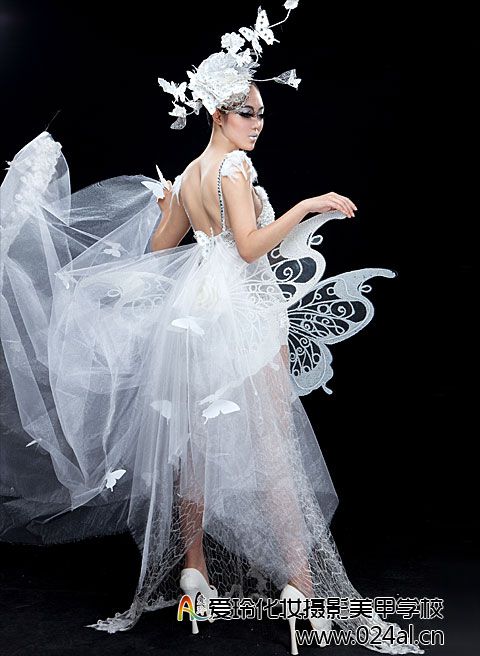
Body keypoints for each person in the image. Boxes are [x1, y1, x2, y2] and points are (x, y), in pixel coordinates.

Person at [0, 2, 424, 653]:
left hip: (195, 313)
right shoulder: (232, 168)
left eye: (262, 112)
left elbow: (158, 249)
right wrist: (308, 206)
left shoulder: (192, 174)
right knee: (274, 452)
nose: (258, 123)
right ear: (218, 114)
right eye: (247, 112)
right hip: (242, 312)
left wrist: (171, 207)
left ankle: (194, 573)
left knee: (193, 447)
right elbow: (250, 249)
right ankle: (303, 589)